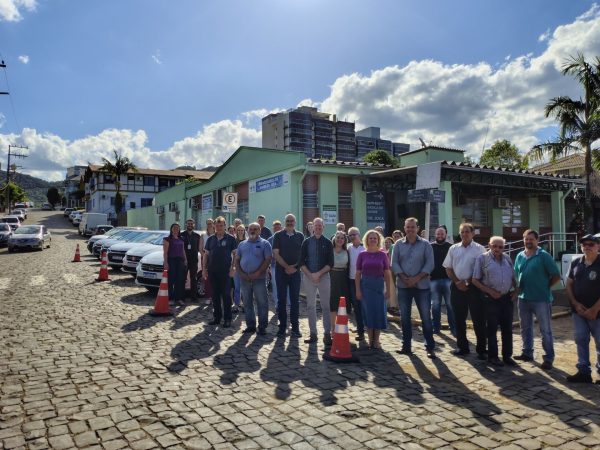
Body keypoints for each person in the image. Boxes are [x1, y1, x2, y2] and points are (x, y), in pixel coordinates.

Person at [514, 229, 561, 370]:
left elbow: (556, 276)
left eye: (531, 239)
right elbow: (517, 274)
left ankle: (548, 358)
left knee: (545, 330)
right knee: (525, 328)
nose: (528, 242)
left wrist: (546, 287)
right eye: (526, 239)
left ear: (537, 240)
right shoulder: (520, 256)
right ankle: (527, 353)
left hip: (541, 299)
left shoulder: (544, 256)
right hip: (523, 299)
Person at [392, 218, 436, 358]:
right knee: (404, 318)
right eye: (407, 227)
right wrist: (405, 278)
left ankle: (430, 346)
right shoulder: (398, 244)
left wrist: (416, 278)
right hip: (403, 286)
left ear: (417, 228)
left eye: (413, 227)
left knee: (425, 318)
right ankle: (406, 346)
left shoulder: (425, 244)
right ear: (404, 228)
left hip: (422, 286)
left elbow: (430, 264)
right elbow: (394, 264)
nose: (410, 229)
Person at [471, 236, 518, 366]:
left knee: (507, 329)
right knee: (491, 329)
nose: (497, 249)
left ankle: (507, 356)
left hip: (506, 298)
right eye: (494, 246)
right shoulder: (482, 259)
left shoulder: (507, 258)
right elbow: (475, 280)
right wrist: (490, 291)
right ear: (489, 245)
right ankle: (493, 356)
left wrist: (516, 291)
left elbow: (513, 277)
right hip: (490, 299)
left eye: (500, 247)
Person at [443, 223, 486, 358]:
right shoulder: (453, 249)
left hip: (474, 287)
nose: (464, 234)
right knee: (459, 319)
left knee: (478, 319)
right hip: (457, 287)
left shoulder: (480, 249)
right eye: (462, 232)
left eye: (467, 232)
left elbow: (483, 269)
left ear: (473, 234)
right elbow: (448, 268)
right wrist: (457, 281)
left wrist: (468, 281)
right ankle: (462, 347)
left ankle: (481, 349)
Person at [565, 234, 600, 383]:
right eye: (584, 244)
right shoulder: (576, 262)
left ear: (598, 246)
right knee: (580, 339)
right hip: (578, 312)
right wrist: (575, 303)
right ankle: (584, 371)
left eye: (591, 244)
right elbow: (569, 284)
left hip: (598, 313)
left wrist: (594, 309)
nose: (587, 247)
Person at [355, 230, 392, 349]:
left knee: (379, 312)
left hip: (379, 286)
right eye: (370, 238)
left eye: (374, 238)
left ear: (378, 240)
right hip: (365, 286)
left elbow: (387, 273)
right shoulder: (362, 254)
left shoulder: (383, 254)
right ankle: (370, 339)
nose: (372, 240)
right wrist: (358, 290)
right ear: (366, 240)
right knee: (368, 312)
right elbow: (357, 274)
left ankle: (376, 340)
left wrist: (389, 290)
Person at [299, 217, 334, 345]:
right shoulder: (306, 242)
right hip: (309, 277)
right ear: (312, 227)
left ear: (323, 227)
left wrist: (318, 274)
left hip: (324, 277)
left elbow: (331, 263)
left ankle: (327, 334)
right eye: (316, 225)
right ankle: (313, 333)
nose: (318, 228)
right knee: (310, 306)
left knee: (325, 306)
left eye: (320, 226)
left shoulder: (328, 243)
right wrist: (311, 275)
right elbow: (301, 262)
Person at [235, 222, 272, 335]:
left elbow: (268, 259)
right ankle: (250, 326)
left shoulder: (265, 244)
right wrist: (241, 273)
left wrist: (258, 273)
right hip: (244, 278)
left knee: (262, 302)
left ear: (259, 230)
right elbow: (237, 259)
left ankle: (262, 327)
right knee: (247, 302)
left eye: (255, 229)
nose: (252, 231)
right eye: (250, 229)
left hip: (259, 278)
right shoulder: (242, 244)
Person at [272, 214, 304, 338]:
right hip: (281, 272)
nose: (290, 222)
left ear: (295, 222)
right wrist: (287, 267)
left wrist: (294, 267)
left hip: (296, 273)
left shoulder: (300, 235)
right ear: (284, 222)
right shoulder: (278, 235)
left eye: (291, 220)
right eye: (287, 221)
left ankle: (295, 328)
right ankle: (282, 327)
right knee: (281, 300)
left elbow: (303, 254)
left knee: (295, 300)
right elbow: (276, 254)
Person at [203, 216, 237, 327]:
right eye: (217, 225)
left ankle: (227, 319)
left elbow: (235, 255)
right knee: (215, 296)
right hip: (213, 272)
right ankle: (217, 318)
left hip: (226, 272)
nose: (219, 227)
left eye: (221, 225)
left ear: (225, 226)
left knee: (227, 296)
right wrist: (204, 269)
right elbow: (206, 256)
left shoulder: (231, 238)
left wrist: (233, 268)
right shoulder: (210, 239)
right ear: (214, 226)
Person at [430, 226, 455, 336]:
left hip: (448, 280)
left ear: (446, 234)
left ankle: (453, 327)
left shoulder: (451, 247)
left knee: (450, 305)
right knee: (435, 305)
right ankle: (436, 327)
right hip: (433, 280)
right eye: (438, 234)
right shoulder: (430, 247)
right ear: (435, 234)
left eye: (442, 234)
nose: (440, 236)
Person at [347, 227, 366, 340]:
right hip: (351, 280)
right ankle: (360, 331)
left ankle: (367, 329)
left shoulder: (364, 248)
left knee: (364, 306)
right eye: (350, 235)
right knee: (356, 307)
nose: (353, 236)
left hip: (363, 280)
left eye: (354, 234)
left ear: (359, 234)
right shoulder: (348, 248)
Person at [163, 223, 187, 307]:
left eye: (177, 228)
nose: (176, 229)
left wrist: (185, 260)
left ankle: (178, 299)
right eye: (174, 228)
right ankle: (170, 298)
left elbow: (183, 250)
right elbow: (165, 253)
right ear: (171, 229)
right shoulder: (167, 239)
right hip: (171, 260)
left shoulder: (181, 239)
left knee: (179, 280)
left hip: (180, 261)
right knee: (171, 280)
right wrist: (166, 262)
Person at [330, 231, 350, 334]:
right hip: (332, 277)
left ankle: (342, 328)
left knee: (343, 304)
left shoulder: (347, 251)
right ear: (334, 239)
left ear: (344, 240)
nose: (339, 239)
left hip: (343, 279)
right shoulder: (330, 250)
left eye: (342, 238)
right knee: (333, 304)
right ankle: (333, 329)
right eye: (338, 237)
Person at [181, 219, 202, 302]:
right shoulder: (182, 235)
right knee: (183, 279)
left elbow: (199, 248)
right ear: (186, 224)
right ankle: (181, 297)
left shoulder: (197, 236)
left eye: (191, 224)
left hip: (194, 260)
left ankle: (194, 297)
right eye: (188, 223)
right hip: (184, 260)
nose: (190, 225)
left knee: (194, 278)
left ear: (194, 225)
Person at [268, 220, 283, 310]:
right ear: (273, 228)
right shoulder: (269, 240)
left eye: (278, 227)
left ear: (281, 227)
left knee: (285, 285)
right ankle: (277, 304)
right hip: (274, 266)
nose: (277, 228)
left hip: (284, 266)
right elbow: (268, 254)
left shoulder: (284, 237)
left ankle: (286, 303)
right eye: (275, 227)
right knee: (275, 284)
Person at [232, 224, 247, 313]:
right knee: (237, 287)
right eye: (239, 230)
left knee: (245, 287)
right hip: (236, 267)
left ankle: (245, 305)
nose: (240, 232)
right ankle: (236, 305)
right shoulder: (234, 241)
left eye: (242, 230)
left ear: (244, 231)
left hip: (245, 267)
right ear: (236, 231)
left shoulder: (247, 241)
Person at [203, 218, 215, 305]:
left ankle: (214, 296)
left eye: (211, 223)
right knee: (207, 279)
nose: (209, 225)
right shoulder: (203, 235)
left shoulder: (216, 234)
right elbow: (200, 248)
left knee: (215, 279)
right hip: (205, 258)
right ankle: (208, 297)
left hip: (215, 259)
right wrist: (206, 257)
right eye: (208, 223)